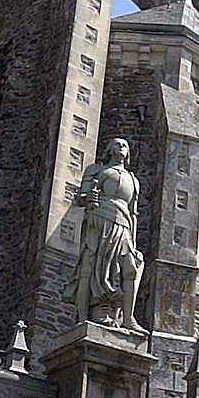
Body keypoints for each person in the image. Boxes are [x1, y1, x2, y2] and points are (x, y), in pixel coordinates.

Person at [65, 137, 146, 333]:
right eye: (117, 144)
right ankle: (84, 317)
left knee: (130, 270)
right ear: (109, 149)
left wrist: (133, 243)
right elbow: (81, 198)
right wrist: (87, 198)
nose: (121, 147)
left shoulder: (133, 180)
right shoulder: (96, 170)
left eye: (125, 145)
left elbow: (133, 214)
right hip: (99, 220)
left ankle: (128, 318)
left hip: (124, 225)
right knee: (92, 267)